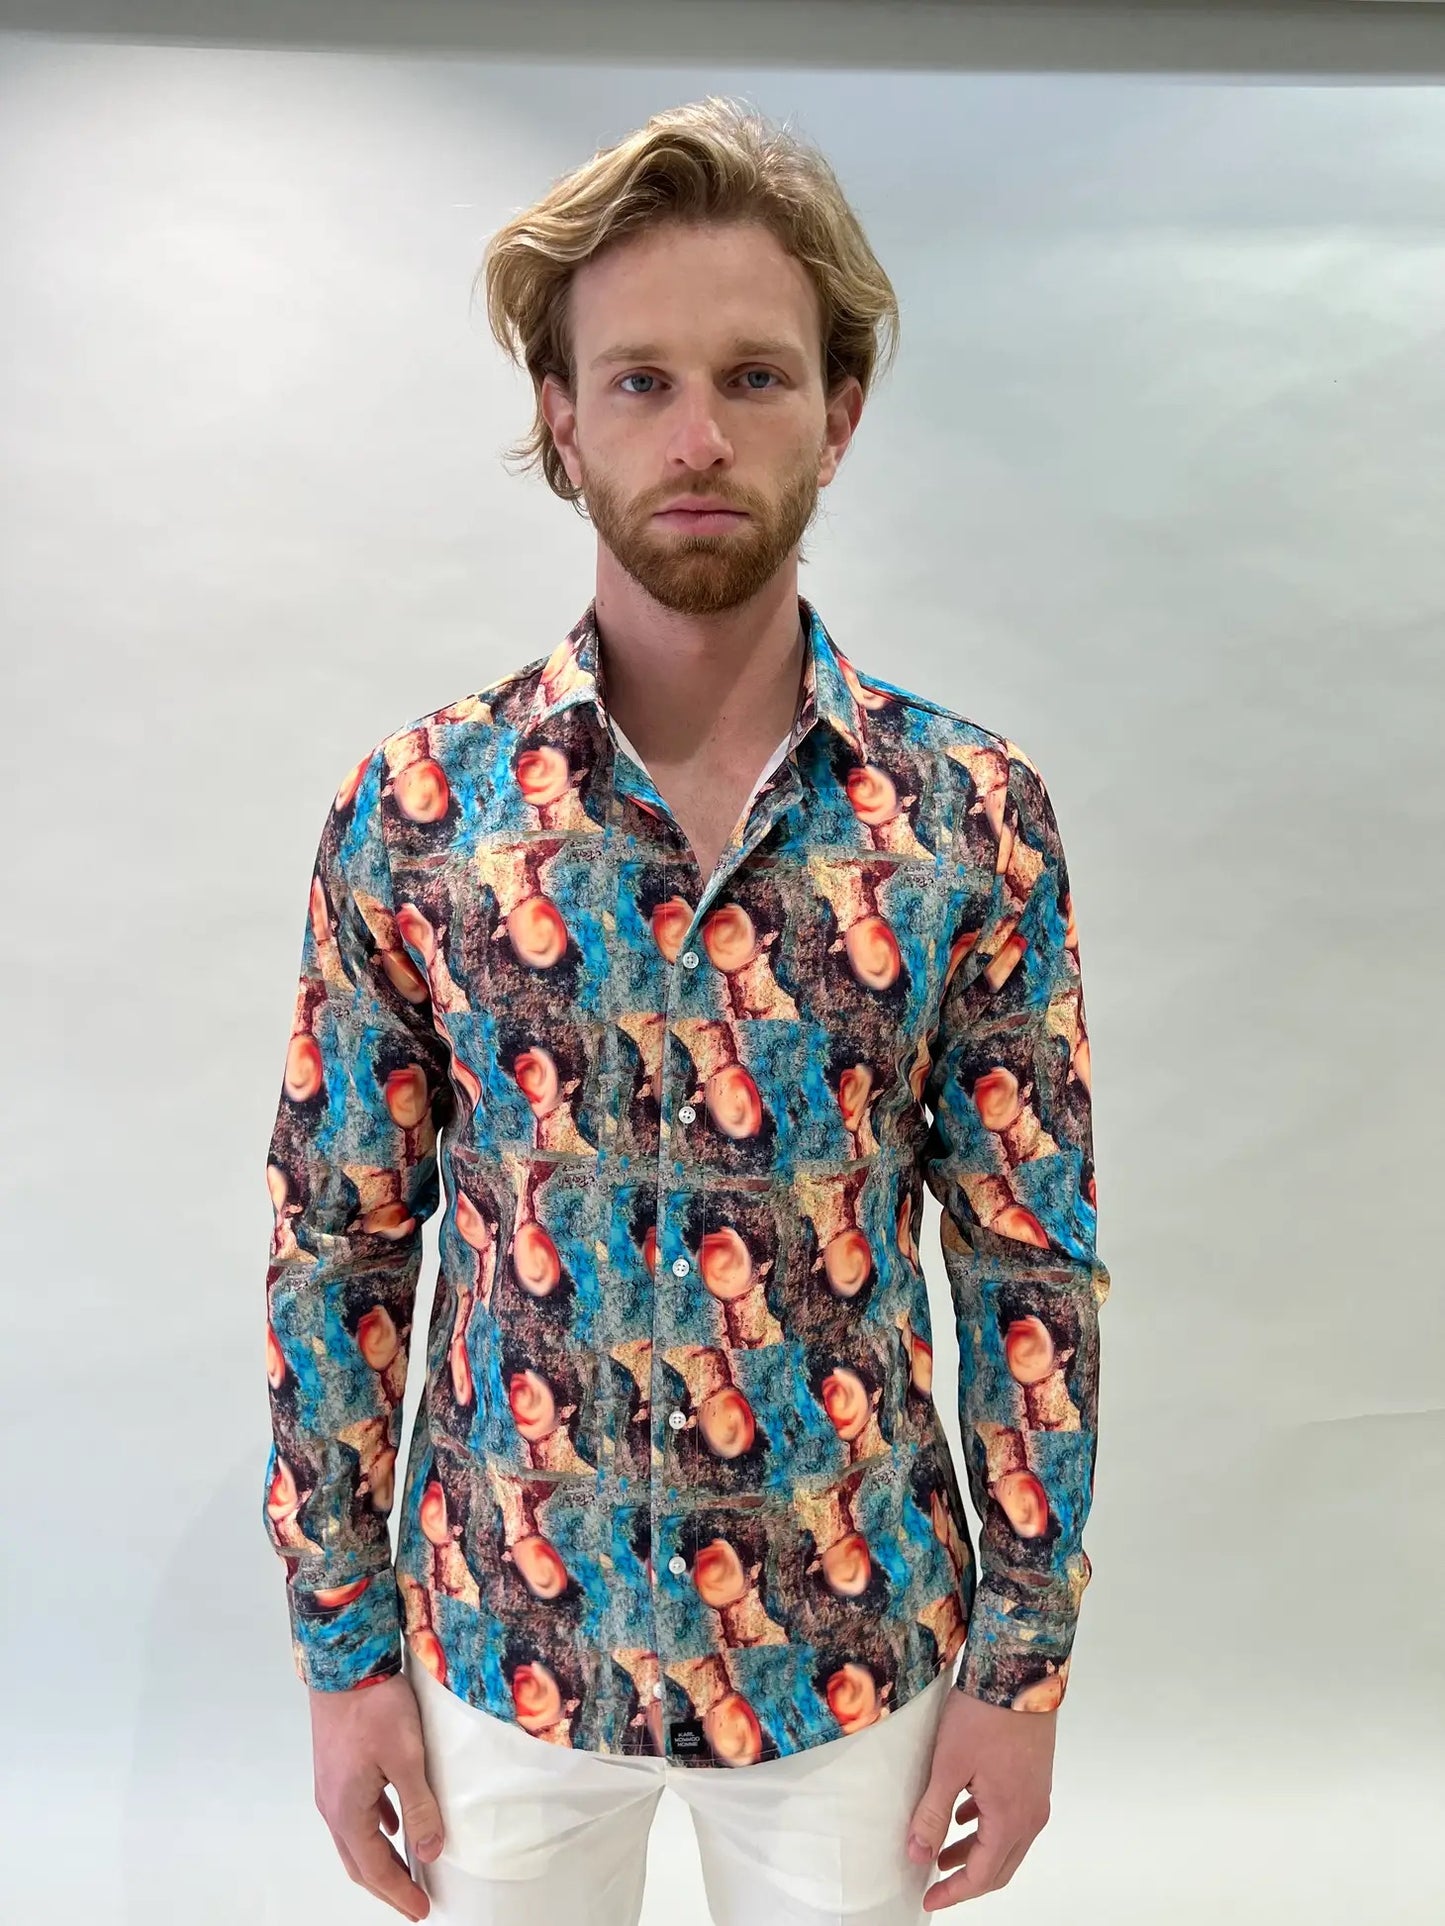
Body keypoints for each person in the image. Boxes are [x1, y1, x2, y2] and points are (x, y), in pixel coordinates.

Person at [260, 95, 1111, 1926]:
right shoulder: (418, 815)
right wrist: (343, 1650)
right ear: (560, 418)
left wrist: (1020, 1668)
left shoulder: (970, 821)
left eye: (756, 376)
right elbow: (339, 1248)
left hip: (849, 1664)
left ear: (839, 413)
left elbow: (1026, 1265)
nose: (700, 435)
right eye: (639, 380)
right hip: (500, 1648)